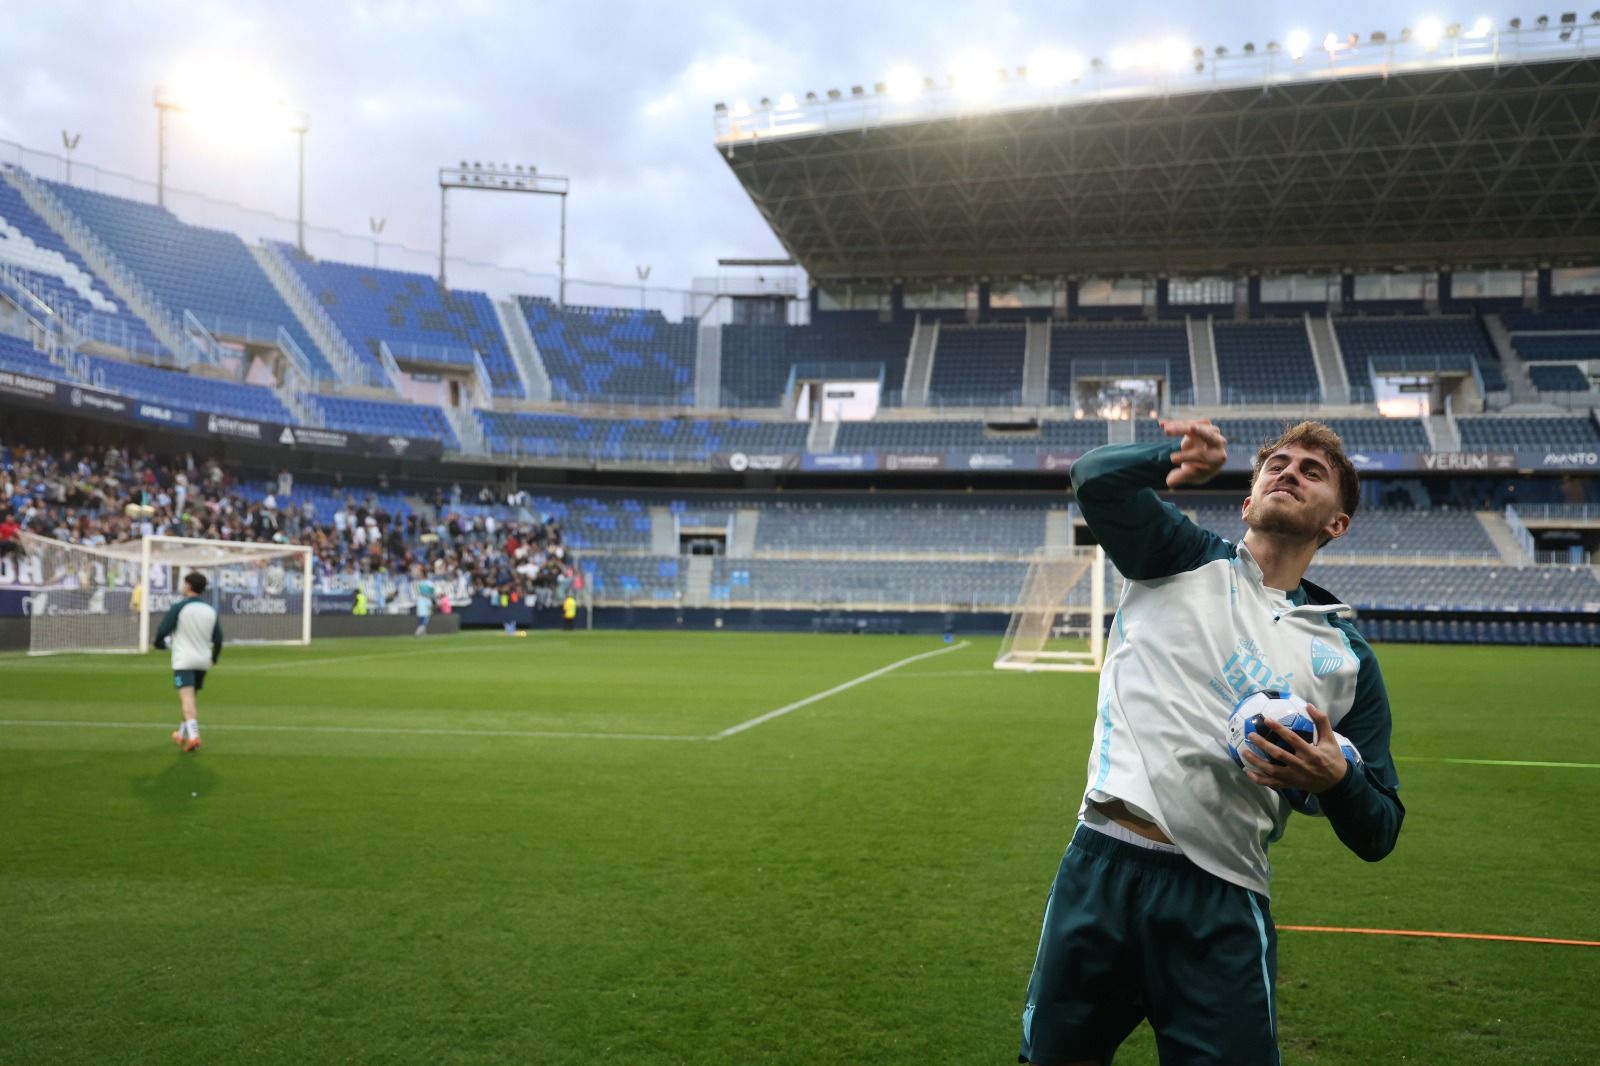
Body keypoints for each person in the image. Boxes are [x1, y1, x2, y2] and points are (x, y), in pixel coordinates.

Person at [1019, 419, 1404, 1066]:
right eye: (1277, 464)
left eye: (1313, 471)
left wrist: (1337, 779)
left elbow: (1381, 828)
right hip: (1102, 867)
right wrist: (1168, 456)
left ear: (1336, 523)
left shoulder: (1348, 661)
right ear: (1248, 500)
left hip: (1222, 900)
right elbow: (1093, 479)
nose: (1290, 471)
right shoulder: (1179, 558)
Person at [153, 572, 223, 754]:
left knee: (186, 698)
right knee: (191, 698)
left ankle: (194, 736)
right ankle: (181, 733)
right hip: (202, 660)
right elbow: (219, 638)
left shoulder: (180, 607)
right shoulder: (210, 610)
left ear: (189, 586)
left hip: (184, 660)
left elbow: (163, 629)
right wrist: (214, 657)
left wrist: (159, 644)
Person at [414, 569, 435, 638]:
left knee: (424, 617)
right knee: (424, 617)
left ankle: (423, 633)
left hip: (423, 601)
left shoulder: (421, 583)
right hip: (425, 601)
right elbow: (432, 593)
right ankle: (418, 631)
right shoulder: (429, 583)